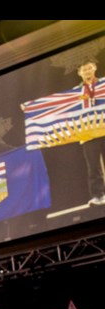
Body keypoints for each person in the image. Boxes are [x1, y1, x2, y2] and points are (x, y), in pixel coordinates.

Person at [75, 59, 105, 206]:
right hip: (88, 133)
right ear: (79, 73)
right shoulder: (75, 92)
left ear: (95, 69)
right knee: (93, 167)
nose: (87, 71)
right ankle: (98, 195)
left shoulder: (104, 84)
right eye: (84, 69)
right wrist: (30, 108)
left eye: (89, 68)